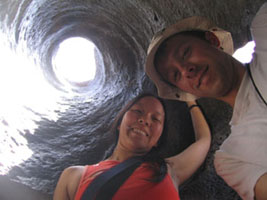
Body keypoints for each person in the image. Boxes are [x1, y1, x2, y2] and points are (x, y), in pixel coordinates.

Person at [145, 3, 267, 200]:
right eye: (176, 75)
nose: (186, 70)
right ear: (185, 91)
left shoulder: (263, 28)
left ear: (212, 40)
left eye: (185, 53)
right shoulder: (232, 157)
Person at [53, 93, 211, 200]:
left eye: (155, 119)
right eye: (137, 111)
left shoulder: (170, 170)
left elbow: (204, 140)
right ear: (119, 123)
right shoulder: (73, 176)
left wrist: (189, 99)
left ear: (157, 140)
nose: (145, 120)